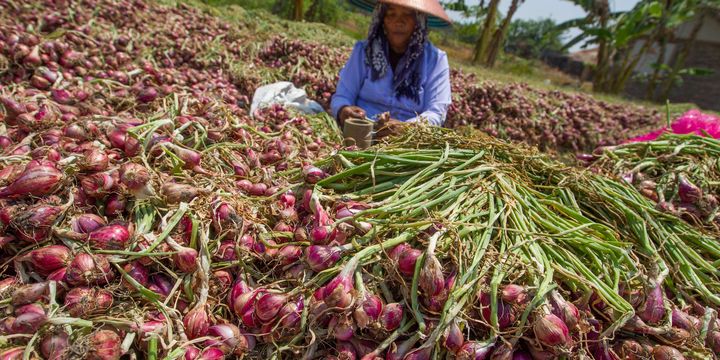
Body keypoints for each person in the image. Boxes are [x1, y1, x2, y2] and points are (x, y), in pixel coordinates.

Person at [330, 0, 452, 137]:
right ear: (382, 19)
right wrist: (344, 110)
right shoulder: (364, 51)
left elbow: (437, 112)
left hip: (407, 142)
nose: (398, 22)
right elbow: (342, 95)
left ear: (419, 21)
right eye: (391, 14)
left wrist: (407, 128)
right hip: (360, 133)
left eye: (408, 15)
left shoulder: (435, 60)